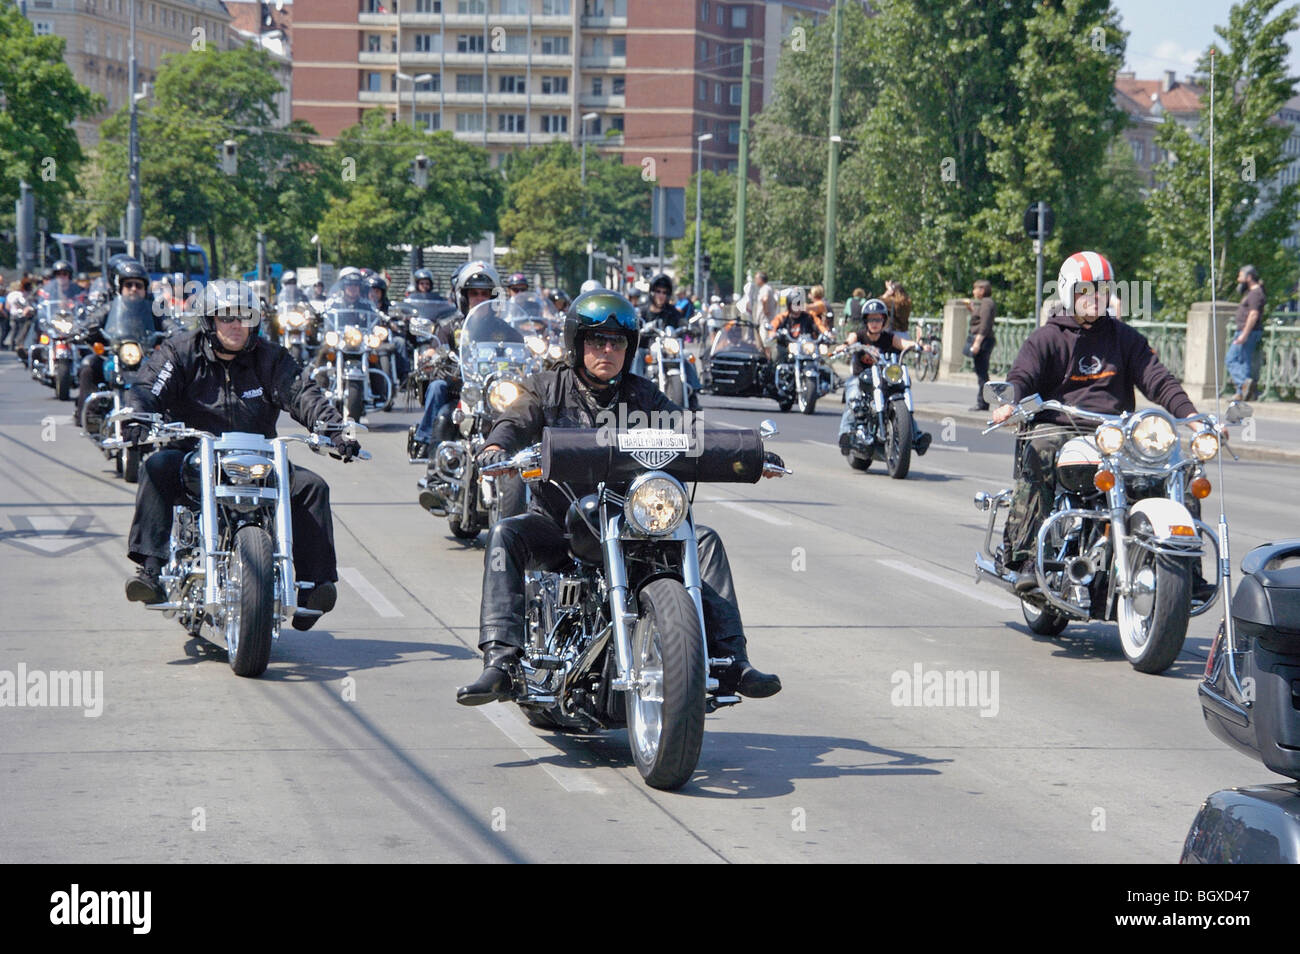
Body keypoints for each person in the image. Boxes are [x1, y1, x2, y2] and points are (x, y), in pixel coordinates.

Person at [456, 289, 784, 705]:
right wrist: (496, 447)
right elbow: (516, 417)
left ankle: (731, 660)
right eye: (596, 340)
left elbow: (690, 428)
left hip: (633, 520)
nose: (607, 349)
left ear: (628, 349)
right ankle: (500, 662)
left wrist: (749, 452)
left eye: (617, 342)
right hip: (560, 524)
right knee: (505, 534)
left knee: (704, 541)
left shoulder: (643, 396)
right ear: (577, 344)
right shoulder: (546, 388)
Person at [122, 281, 360, 630]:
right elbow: (149, 386)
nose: (236, 325)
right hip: (193, 454)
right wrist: (137, 415)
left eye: (245, 317)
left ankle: (312, 587)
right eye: (227, 318)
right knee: (156, 467)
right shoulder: (180, 352)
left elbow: (302, 394)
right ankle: (151, 570)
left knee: (311, 487)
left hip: (256, 458)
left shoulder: (270, 358)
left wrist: (334, 430)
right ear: (209, 321)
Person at [992, 251, 1200, 594]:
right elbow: (1022, 376)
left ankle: (1185, 568)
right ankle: (1029, 554)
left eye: (1102, 290)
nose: (1095, 297)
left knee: (1179, 465)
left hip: (1115, 432)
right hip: (1061, 425)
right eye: (1086, 290)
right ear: (1068, 293)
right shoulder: (1047, 338)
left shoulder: (1124, 338)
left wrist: (1192, 418)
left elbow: (1158, 380)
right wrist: (1008, 402)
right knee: (1040, 448)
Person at [411, 261, 499, 498]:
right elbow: (435, 347)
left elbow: (521, 350)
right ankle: (433, 466)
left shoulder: (502, 328)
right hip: (459, 390)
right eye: (474, 293)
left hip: (494, 394)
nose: (480, 298)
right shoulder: (450, 326)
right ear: (463, 296)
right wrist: (432, 355)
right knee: (441, 400)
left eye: (485, 294)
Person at [837, 298, 933, 455]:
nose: (875, 323)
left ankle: (915, 435)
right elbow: (850, 340)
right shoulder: (860, 336)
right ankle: (846, 435)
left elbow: (903, 343)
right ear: (865, 320)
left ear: (883, 321)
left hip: (884, 379)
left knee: (901, 399)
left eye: (878, 319)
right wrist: (845, 346)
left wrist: (918, 346)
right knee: (853, 396)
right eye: (871, 319)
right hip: (862, 378)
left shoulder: (889, 337)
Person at [76, 259, 152, 427]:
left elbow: (169, 324)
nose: (133, 289)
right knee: (88, 364)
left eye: (138, 285)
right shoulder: (110, 307)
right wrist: (83, 329)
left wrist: (177, 332)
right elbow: (92, 321)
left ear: (145, 289)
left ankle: (166, 419)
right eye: (129, 284)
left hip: (144, 356)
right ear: (120, 288)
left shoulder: (153, 309)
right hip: (113, 354)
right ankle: (90, 414)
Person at [1227, 265, 1265, 401]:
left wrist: (1244, 334)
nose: (1238, 280)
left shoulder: (1256, 293)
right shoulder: (1251, 292)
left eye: (1240, 276)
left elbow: (1253, 315)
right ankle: (1242, 392)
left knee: (1231, 359)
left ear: (1249, 277)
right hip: (1245, 331)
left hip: (1247, 332)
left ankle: (1245, 385)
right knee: (1243, 362)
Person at [961, 279, 996, 411]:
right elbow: (980, 318)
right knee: (981, 372)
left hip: (983, 340)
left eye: (975, 289)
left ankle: (983, 403)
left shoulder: (987, 303)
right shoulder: (985, 303)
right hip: (984, 339)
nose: (973, 291)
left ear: (982, 290)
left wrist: (977, 343)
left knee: (982, 373)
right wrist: (972, 309)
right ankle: (983, 402)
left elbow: (985, 325)